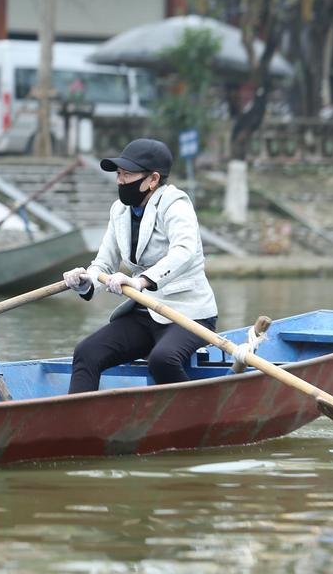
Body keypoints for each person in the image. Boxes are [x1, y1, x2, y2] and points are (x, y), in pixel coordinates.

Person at [62, 137, 217, 394]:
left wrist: (139, 281)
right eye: (119, 174)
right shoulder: (119, 210)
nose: (120, 181)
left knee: (162, 360)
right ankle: (79, 425)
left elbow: (184, 251)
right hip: (145, 314)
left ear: (153, 179)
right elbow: (103, 263)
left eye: (127, 174)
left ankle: (196, 414)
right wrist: (85, 280)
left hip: (189, 314)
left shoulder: (176, 203)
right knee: (86, 353)